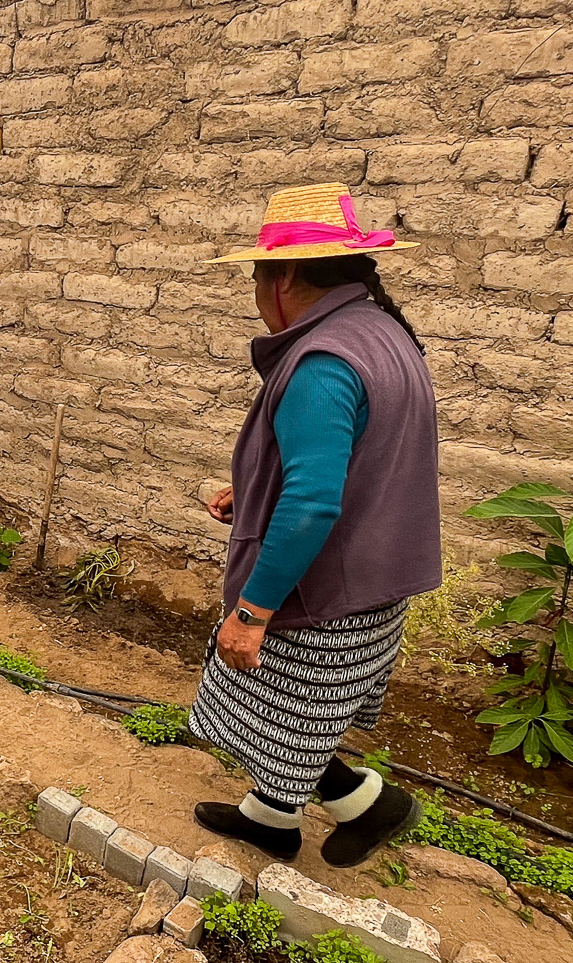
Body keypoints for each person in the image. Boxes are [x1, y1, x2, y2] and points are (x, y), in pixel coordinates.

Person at [185, 182, 442, 867]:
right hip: (373, 583)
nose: (255, 288)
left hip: (322, 593)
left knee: (267, 708)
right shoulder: (382, 334)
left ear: (286, 275)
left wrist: (251, 612)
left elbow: (313, 505)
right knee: (302, 718)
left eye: (257, 273)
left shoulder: (325, 363)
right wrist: (256, 496)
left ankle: (367, 803)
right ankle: (280, 820)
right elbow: (360, 464)